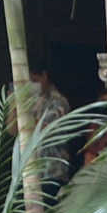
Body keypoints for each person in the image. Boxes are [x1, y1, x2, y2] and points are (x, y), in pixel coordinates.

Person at [8, 63, 72, 201]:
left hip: (50, 175)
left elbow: (48, 130)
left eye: (33, 80)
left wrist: (24, 114)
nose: (30, 86)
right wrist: (14, 105)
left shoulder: (58, 101)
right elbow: (11, 130)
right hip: (25, 175)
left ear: (43, 76)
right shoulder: (28, 100)